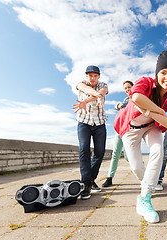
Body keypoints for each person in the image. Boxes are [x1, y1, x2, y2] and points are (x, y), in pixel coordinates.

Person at [114, 50, 167, 223]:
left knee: (158, 151)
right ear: (157, 73)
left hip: (152, 127)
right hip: (131, 129)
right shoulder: (145, 81)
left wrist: (152, 113)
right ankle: (148, 184)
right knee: (136, 167)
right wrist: (160, 111)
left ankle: (144, 199)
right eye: (163, 72)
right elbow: (136, 97)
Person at [73, 65, 109, 200]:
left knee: (99, 152)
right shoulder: (81, 84)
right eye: (90, 75)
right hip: (84, 122)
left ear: (98, 76)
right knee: (84, 150)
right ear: (86, 76)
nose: (93, 78)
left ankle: (91, 179)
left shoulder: (103, 85)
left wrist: (90, 99)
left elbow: (103, 91)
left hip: (99, 123)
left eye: (95, 75)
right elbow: (85, 89)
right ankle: (86, 183)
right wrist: (97, 95)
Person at [102, 80, 134, 187]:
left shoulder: (136, 98)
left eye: (129, 87)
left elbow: (128, 106)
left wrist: (121, 105)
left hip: (130, 131)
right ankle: (109, 178)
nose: (127, 90)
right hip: (119, 130)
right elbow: (118, 106)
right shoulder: (125, 99)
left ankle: (140, 167)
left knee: (128, 157)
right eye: (125, 88)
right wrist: (118, 105)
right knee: (115, 154)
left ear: (133, 87)